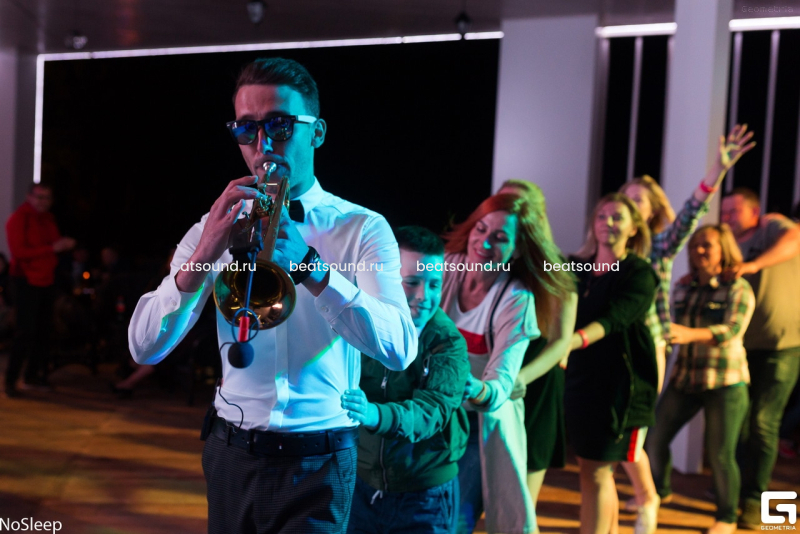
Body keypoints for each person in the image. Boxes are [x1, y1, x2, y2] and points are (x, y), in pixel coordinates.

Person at [128, 57, 417, 534]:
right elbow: (144, 347)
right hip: (230, 451)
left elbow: (400, 349)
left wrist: (311, 267)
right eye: (246, 129)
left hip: (320, 459)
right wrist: (204, 253)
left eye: (279, 125)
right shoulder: (211, 227)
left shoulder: (363, 228)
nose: (262, 145)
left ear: (317, 132)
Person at [614, 125, 755, 518]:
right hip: (616, 347)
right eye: (626, 199)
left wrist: (718, 170)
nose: (630, 207)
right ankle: (648, 494)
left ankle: (656, 498)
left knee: (636, 430)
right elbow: (576, 270)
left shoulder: (659, 246)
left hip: (655, 350)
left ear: (652, 210)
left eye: (639, 200)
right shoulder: (608, 250)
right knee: (620, 432)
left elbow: (690, 215)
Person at [441, 193, 572, 534]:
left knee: (455, 521)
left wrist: (470, 387)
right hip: (432, 415)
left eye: (499, 237)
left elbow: (499, 385)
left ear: (516, 250)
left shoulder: (516, 299)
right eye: (481, 229)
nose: (484, 242)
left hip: (478, 423)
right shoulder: (445, 267)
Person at [342, 226, 469, 534]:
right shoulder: (360, 322)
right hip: (360, 485)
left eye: (435, 284)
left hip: (424, 494)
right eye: (412, 282)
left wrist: (374, 414)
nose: (425, 296)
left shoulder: (447, 341)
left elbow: (432, 410)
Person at [646, 224, 755, 534]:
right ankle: (659, 493)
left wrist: (688, 334)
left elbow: (732, 331)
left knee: (721, 454)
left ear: (724, 249)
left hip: (726, 381)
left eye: (707, 245)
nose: (699, 250)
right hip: (686, 378)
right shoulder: (683, 287)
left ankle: (726, 518)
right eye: (694, 245)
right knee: (654, 437)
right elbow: (668, 325)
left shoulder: (738, 288)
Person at [566, 193, 658, 534]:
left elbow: (615, 318)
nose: (608, 223)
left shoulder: (638, 271)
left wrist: (571, 342)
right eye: (602, 216)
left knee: (598, 471)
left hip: (621, 388)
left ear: (634, 228)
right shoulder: (578, 267)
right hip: (582, 382)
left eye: (618, 217)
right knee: (590, 469)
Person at [497, 180, 578, 532]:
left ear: (537, 215)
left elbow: (561, 340)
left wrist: (522, 377)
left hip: (536, 383)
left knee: (523, 505)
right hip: (494, 377)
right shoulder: (492, 260)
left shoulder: (557, 268)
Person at [720, 188, 800, 529]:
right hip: (740, 348)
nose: (727, 217)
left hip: (782, 346)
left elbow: (796, 238)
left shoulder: (772, 228)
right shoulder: (727, 243)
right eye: (724, 211)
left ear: (755, 212)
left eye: (734, 211)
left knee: (764, 423)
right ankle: (735, 493)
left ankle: (756, 501)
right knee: (736, 424)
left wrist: (752, 265)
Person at [4, 183, 75, 398]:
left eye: (47, 198)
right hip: (26, 279)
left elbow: (52, 246)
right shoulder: (19, 218)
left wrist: (62, 245)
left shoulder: (48, 219)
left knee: (44, 331)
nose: (43, 201)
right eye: (40, 197)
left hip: (46, 280)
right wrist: (53, 248)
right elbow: (19, 252)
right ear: (30, 197)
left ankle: (31, 377)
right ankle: (10, 381)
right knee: (25, 332)